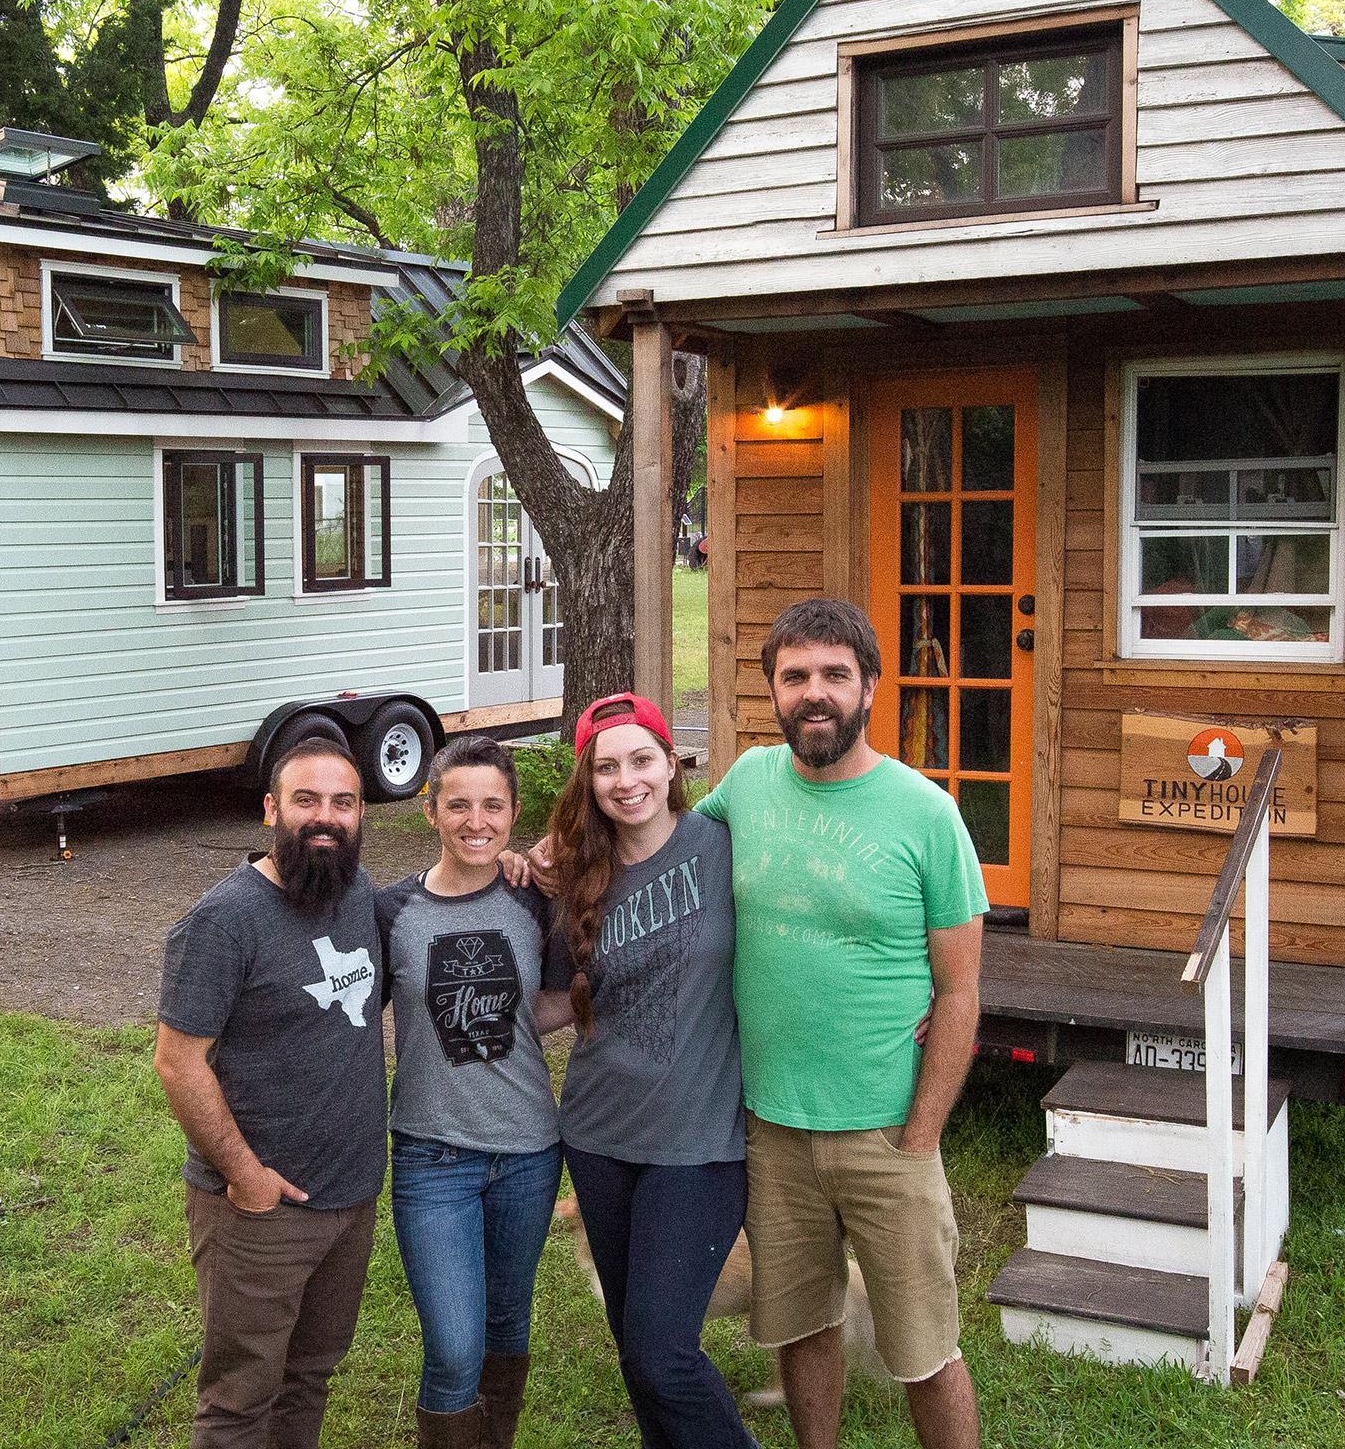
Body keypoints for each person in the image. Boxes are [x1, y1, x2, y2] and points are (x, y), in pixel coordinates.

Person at [695, 597, 987, 1449]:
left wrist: (923, 1133)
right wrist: (546, 852)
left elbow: (961, 992)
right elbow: (656, 844)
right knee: (800, 1326)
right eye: (795, 677)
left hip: (888, 1133)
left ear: (869, 689)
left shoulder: (924, 815)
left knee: (924, 1350)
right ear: (774, 692)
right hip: (773, 1129)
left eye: (833, 675)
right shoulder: (746, 784)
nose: (813, 693)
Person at [153, 736, 385, 1449]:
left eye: (342, 802)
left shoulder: (358, 894)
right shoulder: (224, 921)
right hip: (261, 1209)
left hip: (349, 1197)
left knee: (310, 1377)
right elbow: (177, 1062)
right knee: (239, 1399)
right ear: (269, 810)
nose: (325, 817)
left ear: (361, 813)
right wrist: (245, 1176)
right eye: (305, 800)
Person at [547, 692, 760, 1449]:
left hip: (699, 1144)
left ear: (673, 764)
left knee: (662, 1354)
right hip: (599, 1137)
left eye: (642, 760)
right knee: (636, 1356)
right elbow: (550, 1001)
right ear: (588, 781)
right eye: (606, 767)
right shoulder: (574, 874)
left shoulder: (725, 845)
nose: (626, 780)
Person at [375, 736, 570, 1449]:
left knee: (506, 1327)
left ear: (515, 813)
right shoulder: (391, 912)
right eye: (458, 804)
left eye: (493, 806)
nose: (476, 821)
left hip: (527, 1152)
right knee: (455, 1348)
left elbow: (549, 1003)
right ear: (430, 811)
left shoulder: (530, 898)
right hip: (432, 1157)